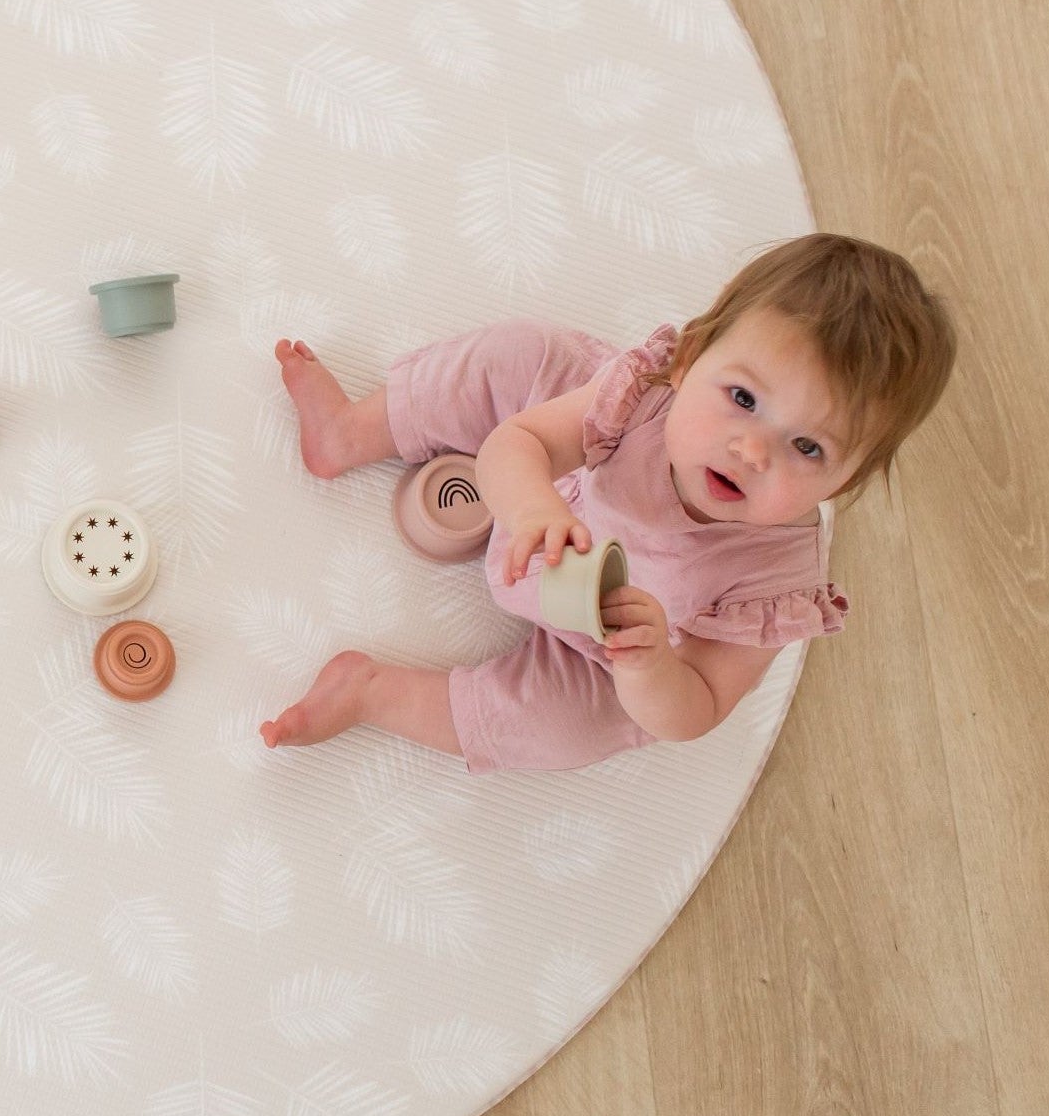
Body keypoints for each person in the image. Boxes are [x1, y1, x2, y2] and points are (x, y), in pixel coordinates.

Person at [259, 233, 957, 772]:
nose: (751, 451)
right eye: (740, 399)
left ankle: (370, 692)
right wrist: (530, 506)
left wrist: (650, 667)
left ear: (846, 481)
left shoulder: (774, 580)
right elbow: (515, 442)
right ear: (686, 358)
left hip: (600, 645)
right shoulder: (638, 400)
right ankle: (349, 430)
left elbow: (699, 709)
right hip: (549, 500)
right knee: (520, 353)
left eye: (808, 448)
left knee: (564, 727)